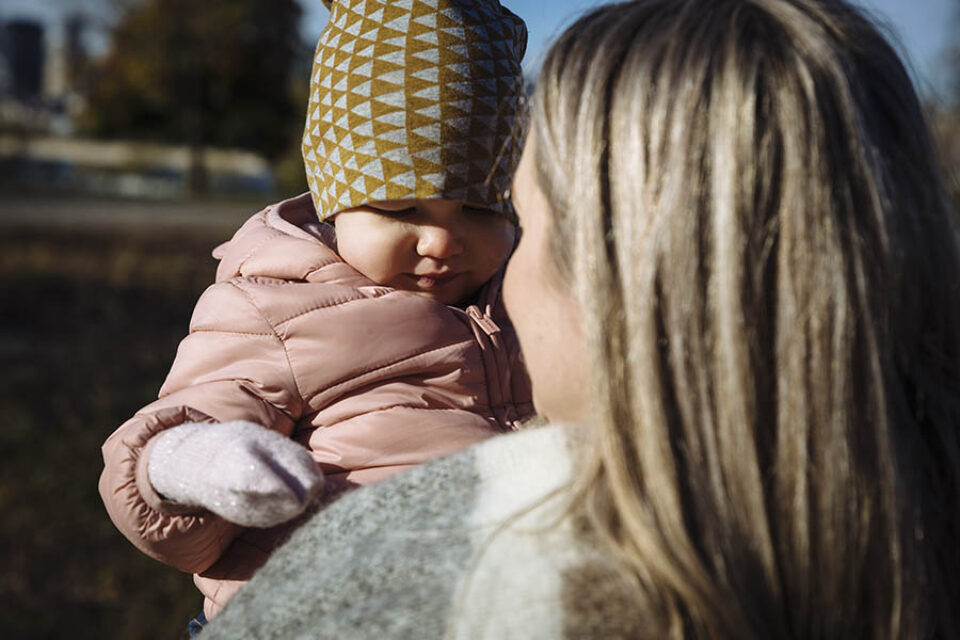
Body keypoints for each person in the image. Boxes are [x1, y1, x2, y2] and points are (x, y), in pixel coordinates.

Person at [200, 0, 960, 637]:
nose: (492, 273)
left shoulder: (410, 580)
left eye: (516, 220)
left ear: (621, 281)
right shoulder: (911, 543)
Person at [98, 0, 533, 624]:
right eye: (402, 210)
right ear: (334, 202)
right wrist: (192, 463)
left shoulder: (526, 298)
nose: (442, 241)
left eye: (481, 210)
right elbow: (181, 422)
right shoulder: (278, 306)